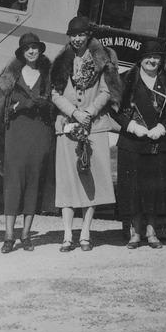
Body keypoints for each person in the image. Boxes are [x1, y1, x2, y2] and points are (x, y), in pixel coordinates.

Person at [50, 16, 122, 252]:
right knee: (68, 180)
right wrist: (73, 112)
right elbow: (54, 93)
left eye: (81, 34)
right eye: (73, 35)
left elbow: (106, 90)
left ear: (88, 35)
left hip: (95, 126)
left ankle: (85, 233)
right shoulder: (61, 60)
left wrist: (89, 112)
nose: (77, 39)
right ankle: (67, 235)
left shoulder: (102, 57)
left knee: (91, 181)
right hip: (67, 127)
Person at [0, 33, 54, 254]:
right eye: (27, 48)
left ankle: (26, 234)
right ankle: (9, 236)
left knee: (34, 181)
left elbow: (57, 102)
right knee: (13, 181)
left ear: (40, 50)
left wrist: (47, 104)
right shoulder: (12, 74)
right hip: (15, 132)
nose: (32, 51)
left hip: (40, 132)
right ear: (22, 52)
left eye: (35, 47)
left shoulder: (49, 75)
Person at [113, 40, 166, 250]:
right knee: (133, 188)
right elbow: (113, 108)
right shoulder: (125, 79)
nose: (152, 61)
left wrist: (163, 127)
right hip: (132, 143)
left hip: (158, 142)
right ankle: (135, 233)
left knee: (155, 189)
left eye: (156, 57)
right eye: (148, 57)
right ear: (140, 59)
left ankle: (151, 232)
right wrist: (131, 125)